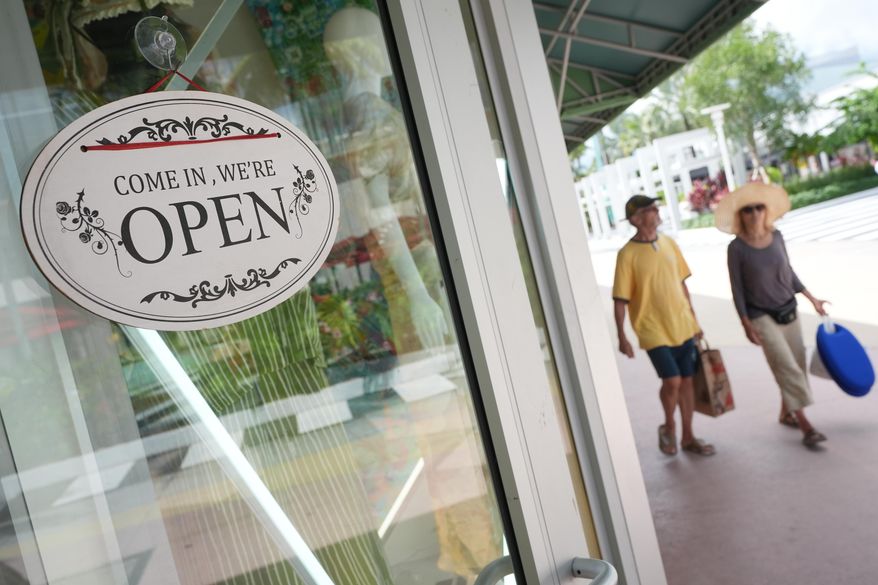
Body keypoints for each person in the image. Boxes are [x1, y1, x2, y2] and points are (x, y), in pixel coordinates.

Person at [716, 182, 829, 448]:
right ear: (740, 216)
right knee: (785, 366)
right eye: (748, 210)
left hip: (788, 308)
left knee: (797, 363)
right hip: (760, 315)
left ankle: (785, 413)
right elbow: (738, 290)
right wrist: (745, 322)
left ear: (766, 212)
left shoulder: (777, 237)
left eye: (759, 208)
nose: (754, 213)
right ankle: (805, 426)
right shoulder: (737, 248)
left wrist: (813, 300)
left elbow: (789, 273)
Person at [613, 195, 715, 456]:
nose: (656, 212)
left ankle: (688, 437)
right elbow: (621, 300)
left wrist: (695, 321)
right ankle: (669, 426)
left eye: (655, 207)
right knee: (672, 381)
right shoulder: (627, 255)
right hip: (651, 328)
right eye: (649, 209)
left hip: (682, 324)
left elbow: (682, 284)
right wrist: (622, 337)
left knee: (687, 381)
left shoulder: (669, 243)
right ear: (636, 219)